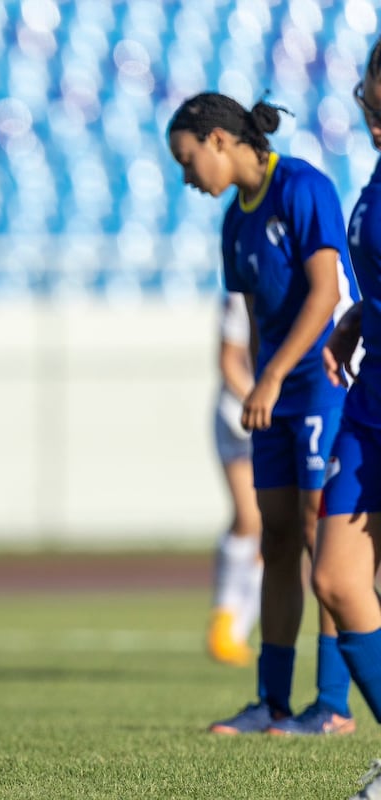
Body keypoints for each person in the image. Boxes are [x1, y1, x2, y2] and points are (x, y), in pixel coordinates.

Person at [168, 92, 359, 736]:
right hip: (275, 397)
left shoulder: (303, 186)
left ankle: (332, 706)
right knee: (275, 538)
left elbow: (328, 290)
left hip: (325, 385)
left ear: (219, 140)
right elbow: (254, 319)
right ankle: (271, 701)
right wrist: (259, 381)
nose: (188, 177)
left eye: (189, 160)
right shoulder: (234, 222)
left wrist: (272, 378)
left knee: (316, 533)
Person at [312, 41, 381, 799]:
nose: (367, 106)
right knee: (335, 577)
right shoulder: (377, 175)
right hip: (370, 401)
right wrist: (358, 317)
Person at [206, 291, 264, 667]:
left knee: (278, 530)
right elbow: (229, 362)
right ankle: (225, 617)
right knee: (250, 517)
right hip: (240, 419)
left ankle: (237, 626)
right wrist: (263, 396)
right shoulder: (240, 295)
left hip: (282, 417)